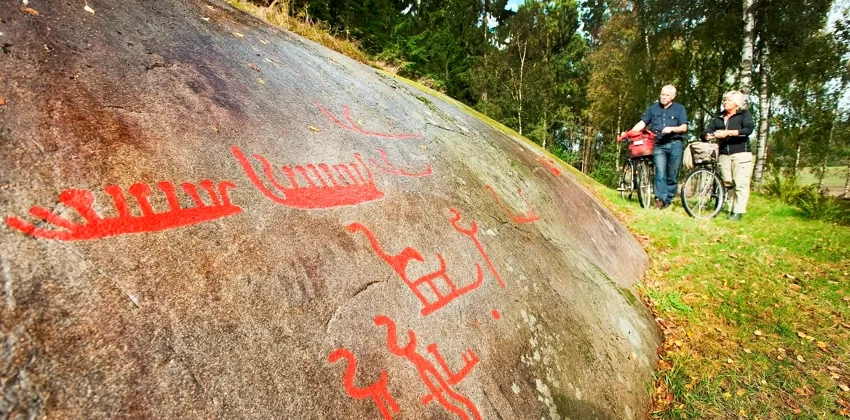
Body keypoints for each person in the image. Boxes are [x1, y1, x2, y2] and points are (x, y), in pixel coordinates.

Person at [627, 85, 689, 209]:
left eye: (667, 95)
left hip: (675, 143)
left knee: (672, 173)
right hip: (659, 145)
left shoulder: (680, 109)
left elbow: (684, 127)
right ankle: (659, 199)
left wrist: (672, 129)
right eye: (662, 94)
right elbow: (643, 123)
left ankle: (668, 198)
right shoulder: (653, 109)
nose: (664, 97)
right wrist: (630, 133)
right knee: (660, 172)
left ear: (673, 96)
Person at [700, 90, 755, 221]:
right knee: (728, 183)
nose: (725, 102)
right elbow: (705, 131)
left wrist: (728, 133)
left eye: (729, 100)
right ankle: (730, 209)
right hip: (724, 154)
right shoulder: (718, 118)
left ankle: (738, 211)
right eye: (724, 100)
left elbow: (748, 129)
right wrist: (707, 135)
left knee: (740, 183)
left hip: (741, 153)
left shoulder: (744, 115)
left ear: (736, 103)